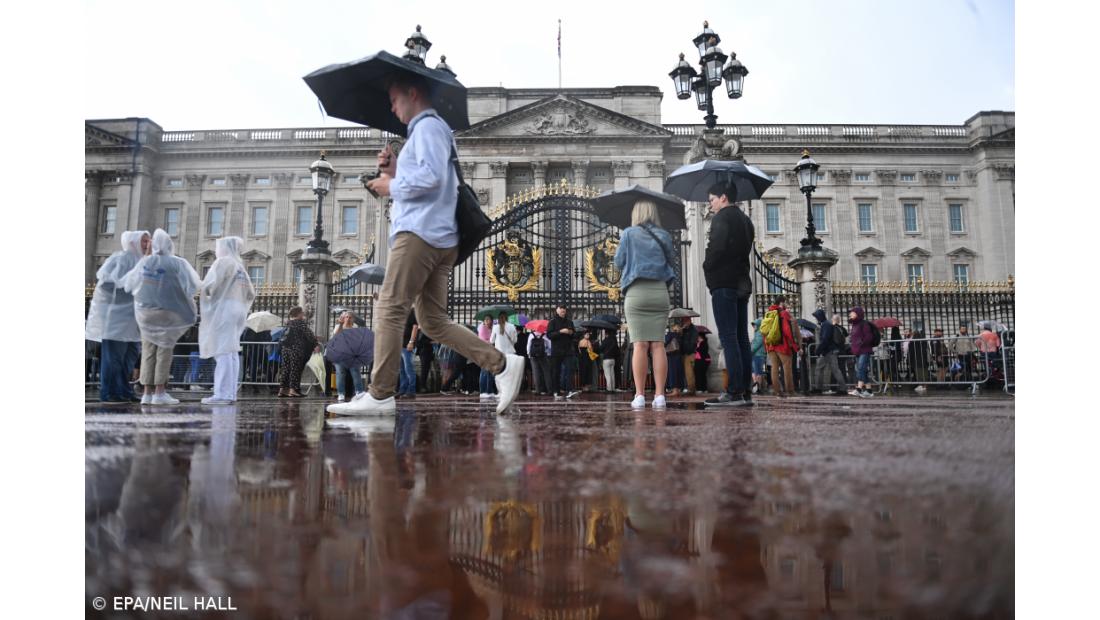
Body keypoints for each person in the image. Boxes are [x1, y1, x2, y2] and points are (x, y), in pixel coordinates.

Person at [330, 73, 523, 415]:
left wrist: (391, 186)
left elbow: (432, 179)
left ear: (413, 93)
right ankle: (502, 365)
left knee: (389, 307)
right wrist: (393, 171)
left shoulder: (429, 127)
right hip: (438, 237)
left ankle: (380, 394)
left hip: (420, 235)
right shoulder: (428, 132)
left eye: (394, 99)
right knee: (433, 322)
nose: (391, 106)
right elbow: (428, 179)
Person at [122, 229, 201, 405]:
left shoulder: (146, 262)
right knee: (164, 351)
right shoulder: (177, 263)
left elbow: (128, 285)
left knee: (148, 352)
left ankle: (146, 393)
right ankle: (159, 392)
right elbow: (192, 286)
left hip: (145, 314)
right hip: (167, 313)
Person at [612, 199, 676, 409]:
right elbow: (671, 261)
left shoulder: (629, 234)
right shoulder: (664, 235)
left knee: (639, 344)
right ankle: (659, 396)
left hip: (636, 292)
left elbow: (618, 262)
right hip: (659, 291)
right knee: (658, 345)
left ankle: (639, 395)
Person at [701, 184, 755, 408]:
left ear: (723, 198)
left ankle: (733, 392)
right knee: (742, 338)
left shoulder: (722, 218)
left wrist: (707, 265)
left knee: (729, 337)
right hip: (742, 281)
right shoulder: (746, 220)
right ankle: (744, 391)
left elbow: (717, 249)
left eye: (712, 199)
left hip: (724, 282)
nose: (710, 204)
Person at [85, 230, 149, 402]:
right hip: (116, 319)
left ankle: (124, 390)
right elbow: (104, 282)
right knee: (113, 359)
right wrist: (125, 287)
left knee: (129, 358)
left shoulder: (144, 261)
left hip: (133, 320)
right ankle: (109, 392)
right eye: (143, 241)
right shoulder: (119, 258)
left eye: (148, 240)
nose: (147, 244)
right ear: (133, 242)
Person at [198, 236, 256, 404]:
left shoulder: (223, 262)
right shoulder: (240, 267)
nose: (217, 251)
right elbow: (251, 293)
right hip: (238, 309)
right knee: (231, 352)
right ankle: (230, 393)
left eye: (218, 247)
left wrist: (203, 288)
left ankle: (222, 394)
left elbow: (210, 285)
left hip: (224, 308)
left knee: (222, 350)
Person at [278, 306, 319, 398]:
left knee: (286, 369)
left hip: (285, 348)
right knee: (295, 369)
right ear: (299, 313)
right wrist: (315, 344)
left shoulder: (288, 323)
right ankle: (293, 390)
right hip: (296, 349)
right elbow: (309, 334)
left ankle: (282, 390)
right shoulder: (300, 323)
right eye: (302, 313)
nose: (303, 314)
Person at [764, 296, 799, 397]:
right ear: (782, 302)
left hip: (771, 345)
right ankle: (790, 391)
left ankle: (777, 391)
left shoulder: (768, 313)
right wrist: (794, 345)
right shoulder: (784, 313)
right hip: (782, 345)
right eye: (785, 303)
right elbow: (787, 331)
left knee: (774, 368)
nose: (786, 305)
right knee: (787, 368)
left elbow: (764, 331)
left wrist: (766, 345)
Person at [332, 311, 367, 403]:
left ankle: (359, 392)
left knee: (355, 373)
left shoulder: (355, 328)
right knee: (340, 373)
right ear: (343, 318)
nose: (348, 319)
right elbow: (336, 335)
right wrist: (340, 324)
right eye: (346, 317)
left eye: (350, 317)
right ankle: (341, 393)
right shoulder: (338, 327)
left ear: (353, 319)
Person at [811, 309, 847, 395]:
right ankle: (842, 388)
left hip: (828, 351)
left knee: (820, 369)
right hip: (830, 351)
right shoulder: (827, 324)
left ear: (819, 317)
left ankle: (818, 388)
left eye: (816, 317)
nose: (816, 319)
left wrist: (818, 350)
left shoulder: (826, 325)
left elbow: (825, 340)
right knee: (835, 370)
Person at [548, 305, 579, 400]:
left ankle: (569, 390)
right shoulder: (552, 322)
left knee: (570, 370)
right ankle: (556, 391)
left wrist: (570, 333)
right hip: (556, 350)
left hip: (568, 350)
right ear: (557, 311)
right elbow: (549, 335)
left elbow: (574, 334)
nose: (563, 312)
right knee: (556, 371)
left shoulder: (569, 322)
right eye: (561, 310)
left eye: (564, 310)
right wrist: (560, 332)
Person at [846, 307, 875, 398]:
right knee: (863, 371)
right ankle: (869, 391)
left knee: (861, 369)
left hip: (864, 350)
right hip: (858, 351)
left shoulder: (864, 324)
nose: (850, 314)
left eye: (852, 312)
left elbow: (868, 337)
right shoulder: (854, 325)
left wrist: (860, 343)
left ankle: (858, 389)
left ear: (858, 313)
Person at [489, 312, 518, 399]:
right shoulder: (511, 326)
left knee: (499, 374)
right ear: (507, 318)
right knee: (509, 374)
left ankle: (500, 392)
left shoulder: (495, 327)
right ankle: (509, 391)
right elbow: (515, 340)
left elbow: (491, 341)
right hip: (510, 354)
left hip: (499, 354)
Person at [527, 327, 552, 395]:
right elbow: (549, 345)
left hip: (533, 356)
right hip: (543, 355)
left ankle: (538, 390)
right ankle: (549, 390)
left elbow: (528, 345)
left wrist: (529, 355)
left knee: (536, 373)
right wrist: (549, 353)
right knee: (546, 373)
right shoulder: (545, 335)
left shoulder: (531, 335)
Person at [400, 311, 420, 398]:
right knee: (402, 370)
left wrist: (411, 342)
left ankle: (411, 391)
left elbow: (415, 327)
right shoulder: (400, 311)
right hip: (400, 345)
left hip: (407, 345)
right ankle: (402, 390)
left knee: (409, 369)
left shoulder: (411, 312)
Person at [664, 322, 685, 396]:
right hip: (678, 356)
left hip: (671, 356)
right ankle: (678, 390)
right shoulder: (680, 336)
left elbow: (665, 342)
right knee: (678, 373)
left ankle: (675, 390)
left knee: (672, 373)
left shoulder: (670, 334)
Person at [680, 317, 699, 395]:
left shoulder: (693, 329)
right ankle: (685, 387)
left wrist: (687, 351)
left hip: (690, 353)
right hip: (683, 353)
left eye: (685, 321)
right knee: (684, 372)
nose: (684, 322)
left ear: (689, 321)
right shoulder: (684, 330)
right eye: (683, 321)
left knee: (689, 372)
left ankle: (691, 389)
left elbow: (693, 342)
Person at [597, 328, 620, 393]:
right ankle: (613, 388)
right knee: (612, 374)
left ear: (606, 334)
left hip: (606, 359)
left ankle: (609, 389)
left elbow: (600, 349)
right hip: (613, 359)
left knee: (608, 375)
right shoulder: (614, 340)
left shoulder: (605, 340)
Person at [750, 318, 766, 395]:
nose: (754, 326)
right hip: (756, 354)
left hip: (758, 355)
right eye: (753, 325)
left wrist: (750, 351)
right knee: (755, 371)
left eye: (755, 325)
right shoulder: (757, 333)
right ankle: (757, 387)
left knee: (758, 371)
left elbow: (757, 344)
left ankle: (758, 388)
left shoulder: (759, 333)